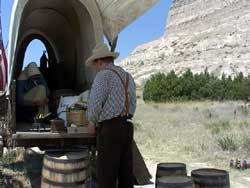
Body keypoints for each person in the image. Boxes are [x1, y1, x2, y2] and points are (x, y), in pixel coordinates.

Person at [86, 43, 136, 188]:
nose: (96, 68)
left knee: (107, 175)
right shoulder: (127, 76)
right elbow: (132, 103)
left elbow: (95, 103)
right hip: (127, 126)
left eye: (96, 65)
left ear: (100, 61)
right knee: (125, 173)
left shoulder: (103, 75)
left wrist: (91, 122)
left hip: (110, 129)